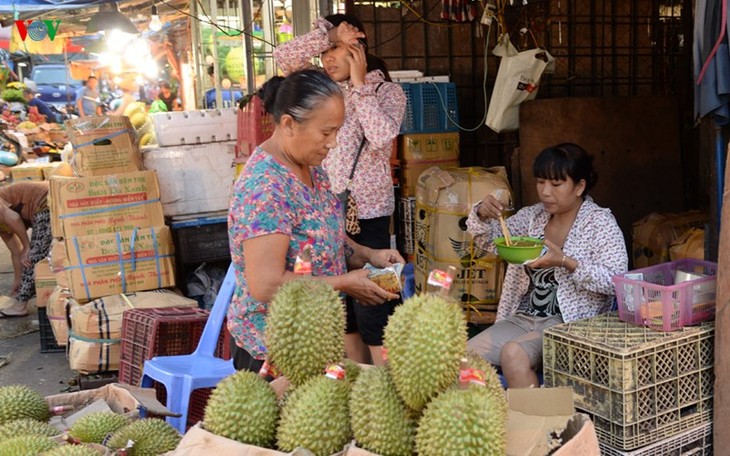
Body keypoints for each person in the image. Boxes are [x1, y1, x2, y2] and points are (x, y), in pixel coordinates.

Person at [227, 70, 404, 373]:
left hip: (318, 340)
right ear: (288, 125)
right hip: (276, 351)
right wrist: (344, 284)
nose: (333, 143)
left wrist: (367, 255)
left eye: (337, 131)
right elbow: (265, 284)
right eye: (326, 133)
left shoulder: (313, 170)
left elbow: (327, 238)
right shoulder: (265, 187)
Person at [274, 14, 406, 365]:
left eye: (336, 49)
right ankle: (357, 383)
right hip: (327, 211)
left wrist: (361, 86)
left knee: (377, 306)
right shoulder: (322, 91)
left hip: (370, 216)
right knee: (343, 308)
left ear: (358, 49)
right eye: (325, 50)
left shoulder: (386, 91)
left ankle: (389, 385)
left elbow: (380, 138)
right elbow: (284, 58)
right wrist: (326, 34)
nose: (327, 58)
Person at [466, 143, 628, 388]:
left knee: (513, 353)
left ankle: (535, 424)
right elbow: (489, 240)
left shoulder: (600, 223)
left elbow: (617, 282)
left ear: (579, 186)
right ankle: (487, 420)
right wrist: (481, 213)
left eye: (556, 183)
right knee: (463, 357)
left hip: (569, 324)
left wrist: (565, 262)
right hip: (523, 318)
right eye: (541, 182)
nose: (545, 192)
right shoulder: (533, 217)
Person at [0, 181, 53, 318]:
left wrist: (27, 247)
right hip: (40, 206)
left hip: (45, 201)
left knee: (32, 257)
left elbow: (15, 218)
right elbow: (15, 252)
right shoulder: (2, 227)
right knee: (36, 255)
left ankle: (20, 306)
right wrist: (17, 280)